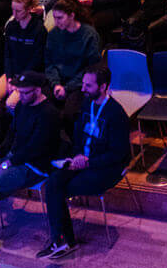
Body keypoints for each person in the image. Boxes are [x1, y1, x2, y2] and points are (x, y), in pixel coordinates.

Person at [0, 72, 61, 268]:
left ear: (38, 90)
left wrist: (6, 164)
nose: (21, 96)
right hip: (13, 159)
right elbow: (12, 132)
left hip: (34, 166)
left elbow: (36, 148)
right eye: (19, 92)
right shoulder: (23, 106)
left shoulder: (49, 113)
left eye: (25, 93)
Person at [40, 64, 132, 258]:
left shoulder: (116, 114)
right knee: (53, 182)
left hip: (106, 168)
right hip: (82, 161)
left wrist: (88, 162)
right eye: (83, 84)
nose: (83, 89)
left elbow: (119, 154)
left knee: (63, 188)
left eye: (88, 86)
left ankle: (64, 241)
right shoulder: (85, 104)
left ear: (103, 86)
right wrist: (75, 157)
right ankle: (61, 240)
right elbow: (78, 136)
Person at [45, 0, 102, 123]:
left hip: (80, 84)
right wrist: (56, 84)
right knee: (41, 107)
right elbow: (49, 64)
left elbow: (91, 67)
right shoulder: (54, 34)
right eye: (54, 18)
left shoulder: (89, 34)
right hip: (58, 82)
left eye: (60, 18)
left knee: (70, 115)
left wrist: (68, 88)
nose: (56, 21)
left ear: (72, 16)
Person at [0, 0, 47, 106]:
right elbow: (7, 55)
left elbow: (37, 60)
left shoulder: (39, 29)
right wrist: (9, 77)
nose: (14, 13)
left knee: (11, 104)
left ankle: (18, 123)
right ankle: (0, 123)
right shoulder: (11, 26)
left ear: (28, 9)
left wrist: (18, 81)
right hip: (12, 73)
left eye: (18, 11)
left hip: (30, 75)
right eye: (13, 10)